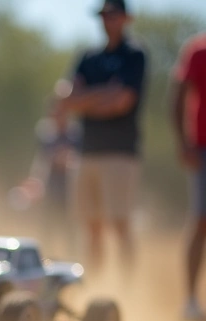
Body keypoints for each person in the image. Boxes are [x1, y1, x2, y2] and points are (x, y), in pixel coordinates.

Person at [60, 0, 147, 274]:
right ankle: (96, 281)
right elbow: (68, 100)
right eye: (104, 16)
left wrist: (87, 98)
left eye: (113, 15)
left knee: (120, 223)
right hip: (87, 152)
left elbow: (123, 102)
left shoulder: (134, 55)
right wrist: (104, 94)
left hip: (120, 153)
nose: (108, 20)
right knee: (91, 227)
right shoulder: (88, 57)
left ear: (125, 19)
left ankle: (127, 285)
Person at [173, 31, 206, 321]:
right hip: (202, 147)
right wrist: (183, 142)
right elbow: (179, 94)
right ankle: (191, 300)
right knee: (200, 220)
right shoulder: (198, 50)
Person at [23, 93, 81, 254]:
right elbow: (42, 159)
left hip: (70, 187)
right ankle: (47, 256)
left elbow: (78, 159)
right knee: (47, 226)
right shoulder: (45, 132)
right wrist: (34, 182)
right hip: (50, 185)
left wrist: (67, 160)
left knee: (70, 227)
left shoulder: (76, 134)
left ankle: (72, 257)